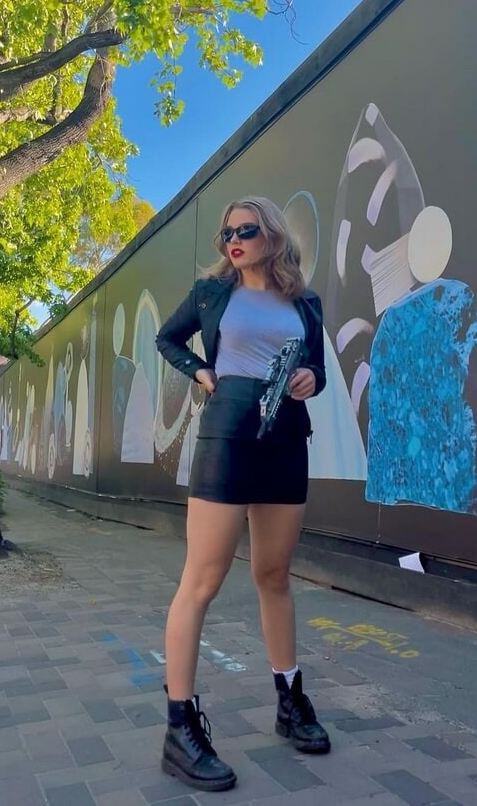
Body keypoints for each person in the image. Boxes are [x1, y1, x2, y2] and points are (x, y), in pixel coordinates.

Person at [155, 196, 331, 792]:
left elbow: (317, 369)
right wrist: (201, 372)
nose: (233, 240)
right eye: (227, 233)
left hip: (286, 436)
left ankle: (290, 702)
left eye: (246, 230)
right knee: (202, 579)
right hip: (227, 431)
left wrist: (310, 378)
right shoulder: (211, 294)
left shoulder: (304, 302)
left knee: (274, 574)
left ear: (272, 235)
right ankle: (180, 730)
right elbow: (168, 338)